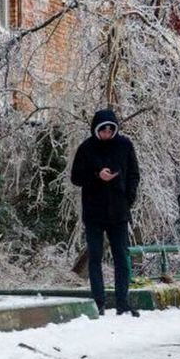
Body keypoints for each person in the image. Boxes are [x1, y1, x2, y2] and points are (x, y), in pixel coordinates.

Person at [70, 108, 141, 316]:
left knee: (121, 256)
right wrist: (97, 175)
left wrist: (128, 199)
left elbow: (134, 174)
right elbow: (76, 177)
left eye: (111, 130)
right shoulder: (87, 148)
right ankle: (99, 302)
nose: (107, 134)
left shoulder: (125, 146)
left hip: (119, 212)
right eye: (103, 130)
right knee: (95, 257)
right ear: (96, 130)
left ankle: (122, 302)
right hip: (94, 212)